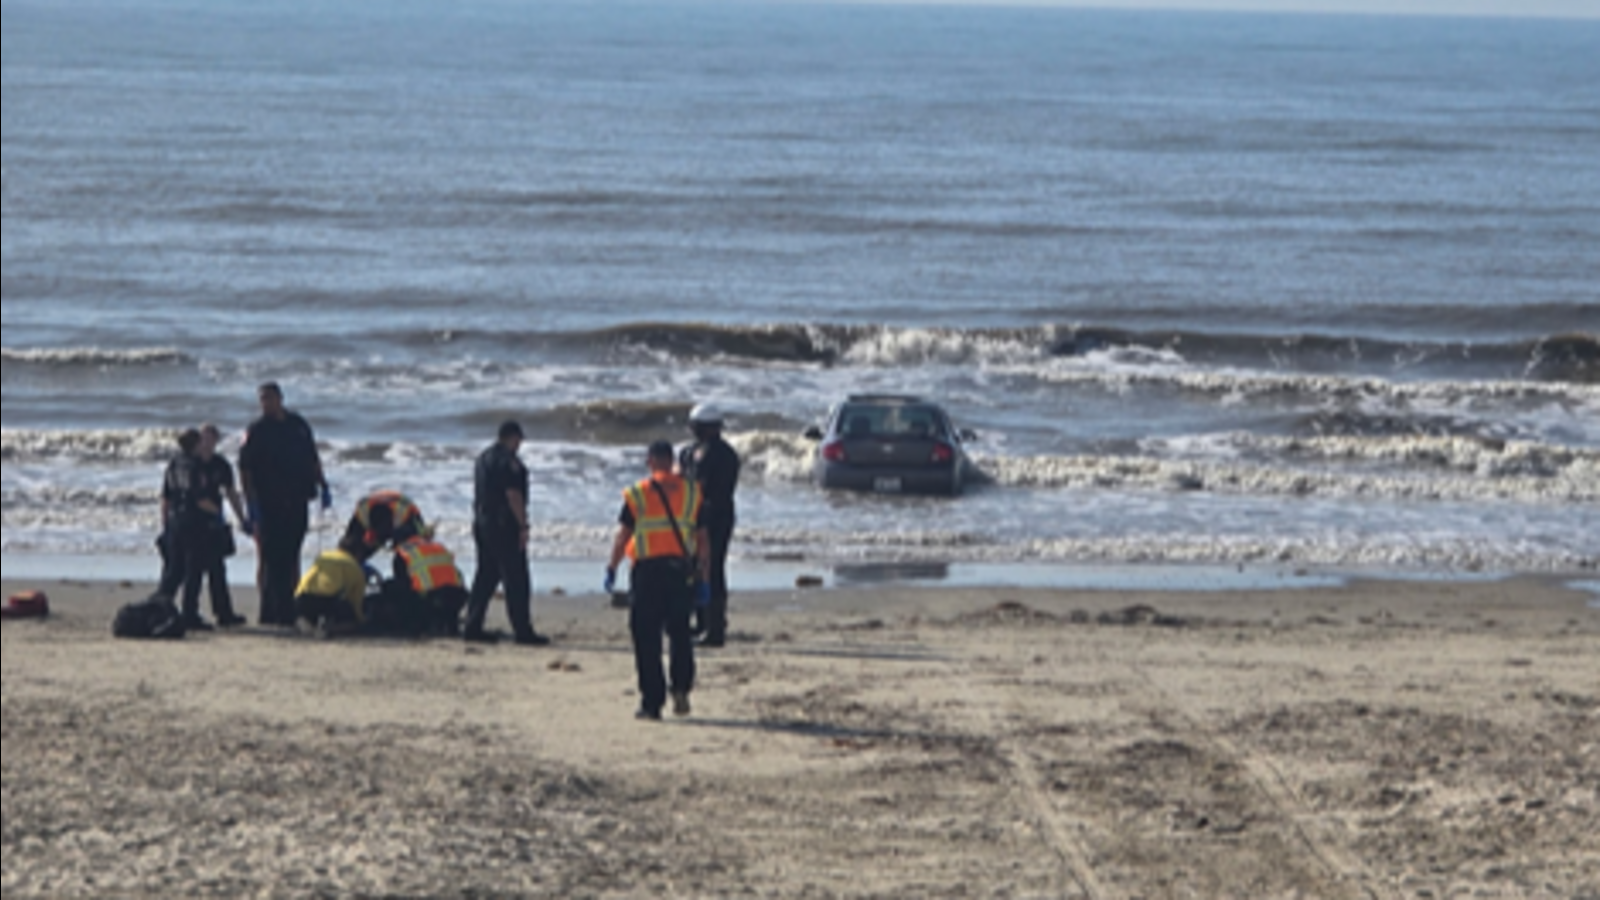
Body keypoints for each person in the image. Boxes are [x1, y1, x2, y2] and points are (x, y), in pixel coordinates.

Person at [606, 439, 710, 721]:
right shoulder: (691, 492)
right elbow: (703, 540)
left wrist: (612, 567)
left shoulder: (639, 493)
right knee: (680, 633)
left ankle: (652, 703)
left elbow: (623, 536)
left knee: (646, 638)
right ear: (671, 459)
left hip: (647, 573)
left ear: (650, 461)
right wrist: (704, 578)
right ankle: (681, 687)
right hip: (680, 573)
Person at [239, 382, 330, 627]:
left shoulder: (298, 425)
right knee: (271, 558)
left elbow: (312, 457)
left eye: (269, 399)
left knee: (292, 554)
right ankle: (272, 611)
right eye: (262, 400)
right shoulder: (257, 430)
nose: (265, 404)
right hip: (269, 502)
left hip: (298, 499)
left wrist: (323, 484)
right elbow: (245, 469)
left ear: (280, 398)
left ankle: (288, 608)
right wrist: (250, 504)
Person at [463, 421, 549, 646]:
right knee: (516, 579)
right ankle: (523, 631)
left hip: (482, 522)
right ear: (513, 438)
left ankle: (472, 626)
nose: (519, 445)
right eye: (518, 440)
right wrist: (522, 526)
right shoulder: (509, 462)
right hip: (504, 526)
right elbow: (513, 495)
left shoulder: (483, 459)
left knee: (485, 576)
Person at [679, 403, 741, 648]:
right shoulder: (691, 451)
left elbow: (706, 487)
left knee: (712, 568)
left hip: (717, 517)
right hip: (695, 516)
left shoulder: (723, 455)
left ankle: (715, 629)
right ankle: (702, 621)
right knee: (695, 567)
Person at [181, 424, 248, 629]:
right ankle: (189, 613)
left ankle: (224, 613)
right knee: (194, 570)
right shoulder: (191, 465)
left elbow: (231, 493)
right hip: (193, 522)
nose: (207, 443)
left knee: (217, 569)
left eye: (211, 439)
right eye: (204, 439)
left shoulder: (221, 465)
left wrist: (241, 518)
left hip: (213, 523)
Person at [294, 533, 373, 636]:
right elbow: (356, 604)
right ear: (359, 553)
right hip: (326, 601)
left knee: (314, 606)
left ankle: (305, 620)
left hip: (302, 598)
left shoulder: (324, 556)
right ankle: (330, 628)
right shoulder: (356, 569)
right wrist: (362, 620)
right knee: (349, 615)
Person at [392, 533, 468, 637]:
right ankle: (447, 623)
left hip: (433, 599)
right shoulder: (437, 546)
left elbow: (403, 585)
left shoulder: (404, 552)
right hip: (459, 596)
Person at [344, 490, 428, 556]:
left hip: (403, 513)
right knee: (352, 549)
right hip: (380, 509)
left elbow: (421, 539)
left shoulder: (407, 517)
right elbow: (347, 543)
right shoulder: (363, 513)